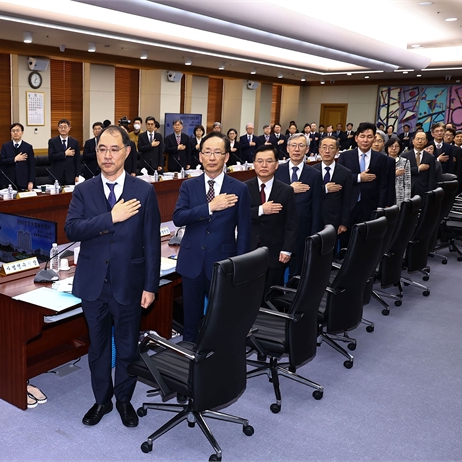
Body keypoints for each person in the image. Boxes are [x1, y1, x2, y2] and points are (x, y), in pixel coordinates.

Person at [65, 125, 161, 428]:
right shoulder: (84, 190)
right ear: (96, 153)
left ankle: (123, 400)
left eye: (114, 149)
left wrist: (150, 286)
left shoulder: (143, 190)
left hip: (129, 283)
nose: (107, 155)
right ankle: (102, 400)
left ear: (127, 152)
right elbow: (72, 229)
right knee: (98, 348)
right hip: (93, 284)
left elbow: (151, 242)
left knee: (128, 347)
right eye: (102, 149)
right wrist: (111, 218)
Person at [173, 132, 251, 342]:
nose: (212, 157)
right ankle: (189, 355)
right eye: (207, 152)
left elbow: (244, 231)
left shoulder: (239, 189)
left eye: (217, 152)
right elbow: (178, 217)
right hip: (191, 262)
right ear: (200, 156)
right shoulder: (188, 186)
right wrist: (210, 207)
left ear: (227, 157)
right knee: (190, 321)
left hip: (223, 263)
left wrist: (239, 266)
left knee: (222, 318)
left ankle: (219, 355)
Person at [246, 144, 297, 298]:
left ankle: (272, 313)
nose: (264, 165)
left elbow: (291, 223)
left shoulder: (286, 190)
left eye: (269, 161)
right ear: (254, 164)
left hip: (275, 251)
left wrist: (287, 249)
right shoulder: (243, 188)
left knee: (272, 293)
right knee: (249, 293)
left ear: (276, 165)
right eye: (259, 161)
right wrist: (261, 210)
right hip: (249, 249)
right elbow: (238, 215)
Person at [275, 133, 323, 277]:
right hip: (279, 228)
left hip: (303, 229)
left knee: (298, 271)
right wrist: (290, 189)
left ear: (307, 149)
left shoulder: (314, 174)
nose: (297, 149)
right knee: (276, 270)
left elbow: (317, 207)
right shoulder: (277, 171)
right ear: (287, 148)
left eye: (301, 146)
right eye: (293, 145)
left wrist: (314, 235)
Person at [336, 122, 389, 247]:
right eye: (362, 136)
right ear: (356, 138)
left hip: (370, 206)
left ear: (374, 138)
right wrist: (359, 177)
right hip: (349, 206)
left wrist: (380, 208)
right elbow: (340, 179)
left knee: (367, 243)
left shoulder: (381, 158)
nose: (365, 140)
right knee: (346, 242)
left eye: (369, 137)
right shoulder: (345, 156)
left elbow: (383, 185)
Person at [313, 136, 353, 234]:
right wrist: (325, 189)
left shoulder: (346, 173)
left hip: (335, 219)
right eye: (324, 147)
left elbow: (347, 200)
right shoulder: (311, 171)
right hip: (314, 218)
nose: (327, 151)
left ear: (337, 151)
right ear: (319, 150)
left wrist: (344, 223)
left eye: (331, 147)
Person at [0, 123, 35, 190]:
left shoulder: (28, 147)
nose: (15, 133)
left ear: (22, 132)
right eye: (13, 131)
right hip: (9, 180)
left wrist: (31, 181)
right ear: (11, 133)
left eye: (17, 130)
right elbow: (2, 161)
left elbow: (32, 166)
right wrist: (14, 159)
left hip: (23, 180)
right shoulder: (5, 146)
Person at [401, 131, 436, 199]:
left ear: (426, 142)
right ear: (413, 141)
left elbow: (431, 177)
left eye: (423, 139)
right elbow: (402, 172)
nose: (420, 141)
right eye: (417, 139)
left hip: (423, 190)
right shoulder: (404, 156)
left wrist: (430, 193)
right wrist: (418, 169)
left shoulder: (430, 157)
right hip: (407, 189)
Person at [48, 119, 81, 185]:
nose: (63, 129)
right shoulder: (52, 141)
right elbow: (51, 157)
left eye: (65, 127)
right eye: (61, 127)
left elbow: (77, 160)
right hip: (56, 174)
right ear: (58, 128)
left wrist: (77, 175)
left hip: (71, 175)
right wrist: (65, 154)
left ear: (69, 128)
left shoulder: (74, 142)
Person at [385, 138, 411, 205]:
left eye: (396, 146)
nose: (394, 148)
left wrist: (406, 200)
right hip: (385, 194)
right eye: (391, 146)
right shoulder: (382, 160)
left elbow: (407, 182)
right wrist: (393, 174)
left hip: (399, 195)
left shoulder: (405, 162)